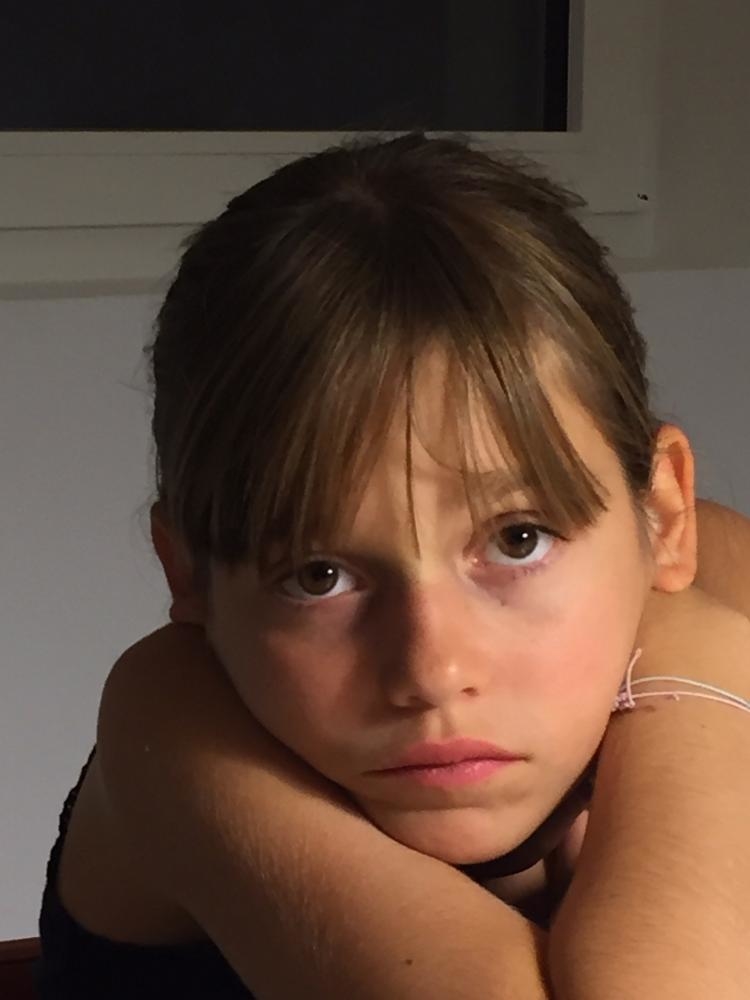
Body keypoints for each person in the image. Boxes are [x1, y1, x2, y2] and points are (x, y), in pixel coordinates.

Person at [35, 132, 750, 999]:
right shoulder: (169, 721)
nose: (431, 672)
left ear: (664, 514)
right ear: (189, 573)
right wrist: (704, 661)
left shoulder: (702, 554)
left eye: (518, 540)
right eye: (318, 576)